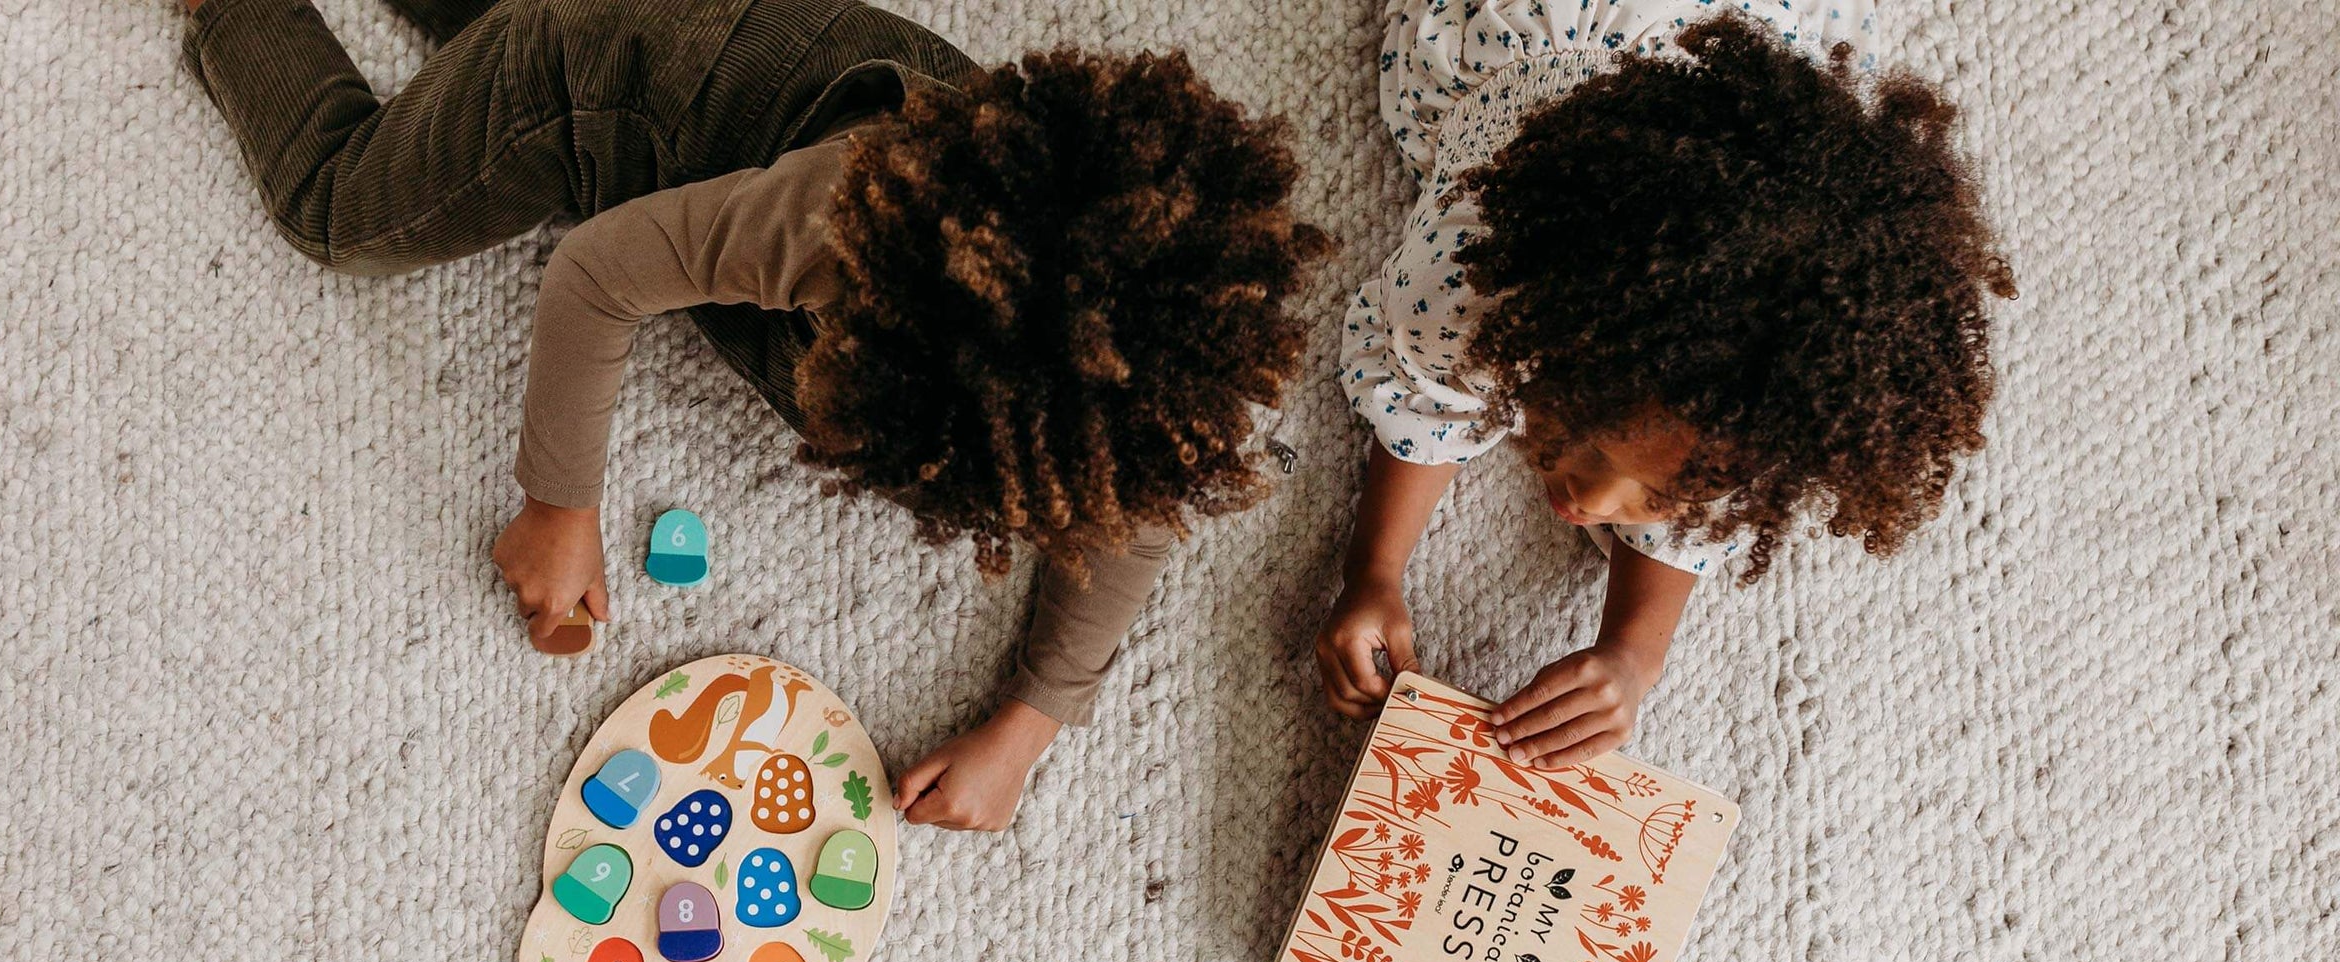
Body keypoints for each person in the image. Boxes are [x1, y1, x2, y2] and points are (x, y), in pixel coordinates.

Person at [179, 0, 1329, 828]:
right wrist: (559, 500)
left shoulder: (1135, 364)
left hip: (734, 52)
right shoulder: (842, 224)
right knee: (340, 210)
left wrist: (1030, 720)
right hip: (583, 87)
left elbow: (1132, 514)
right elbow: (597, 271)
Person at [1315, 2, 2014, 764]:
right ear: (1556, 334)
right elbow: (1426, 401)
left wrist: (1634, 655)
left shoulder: (1764, 403)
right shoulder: (1469, 279)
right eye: (1583, 440)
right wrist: (1373, 568)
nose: (1591, 507)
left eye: (1665, 495)